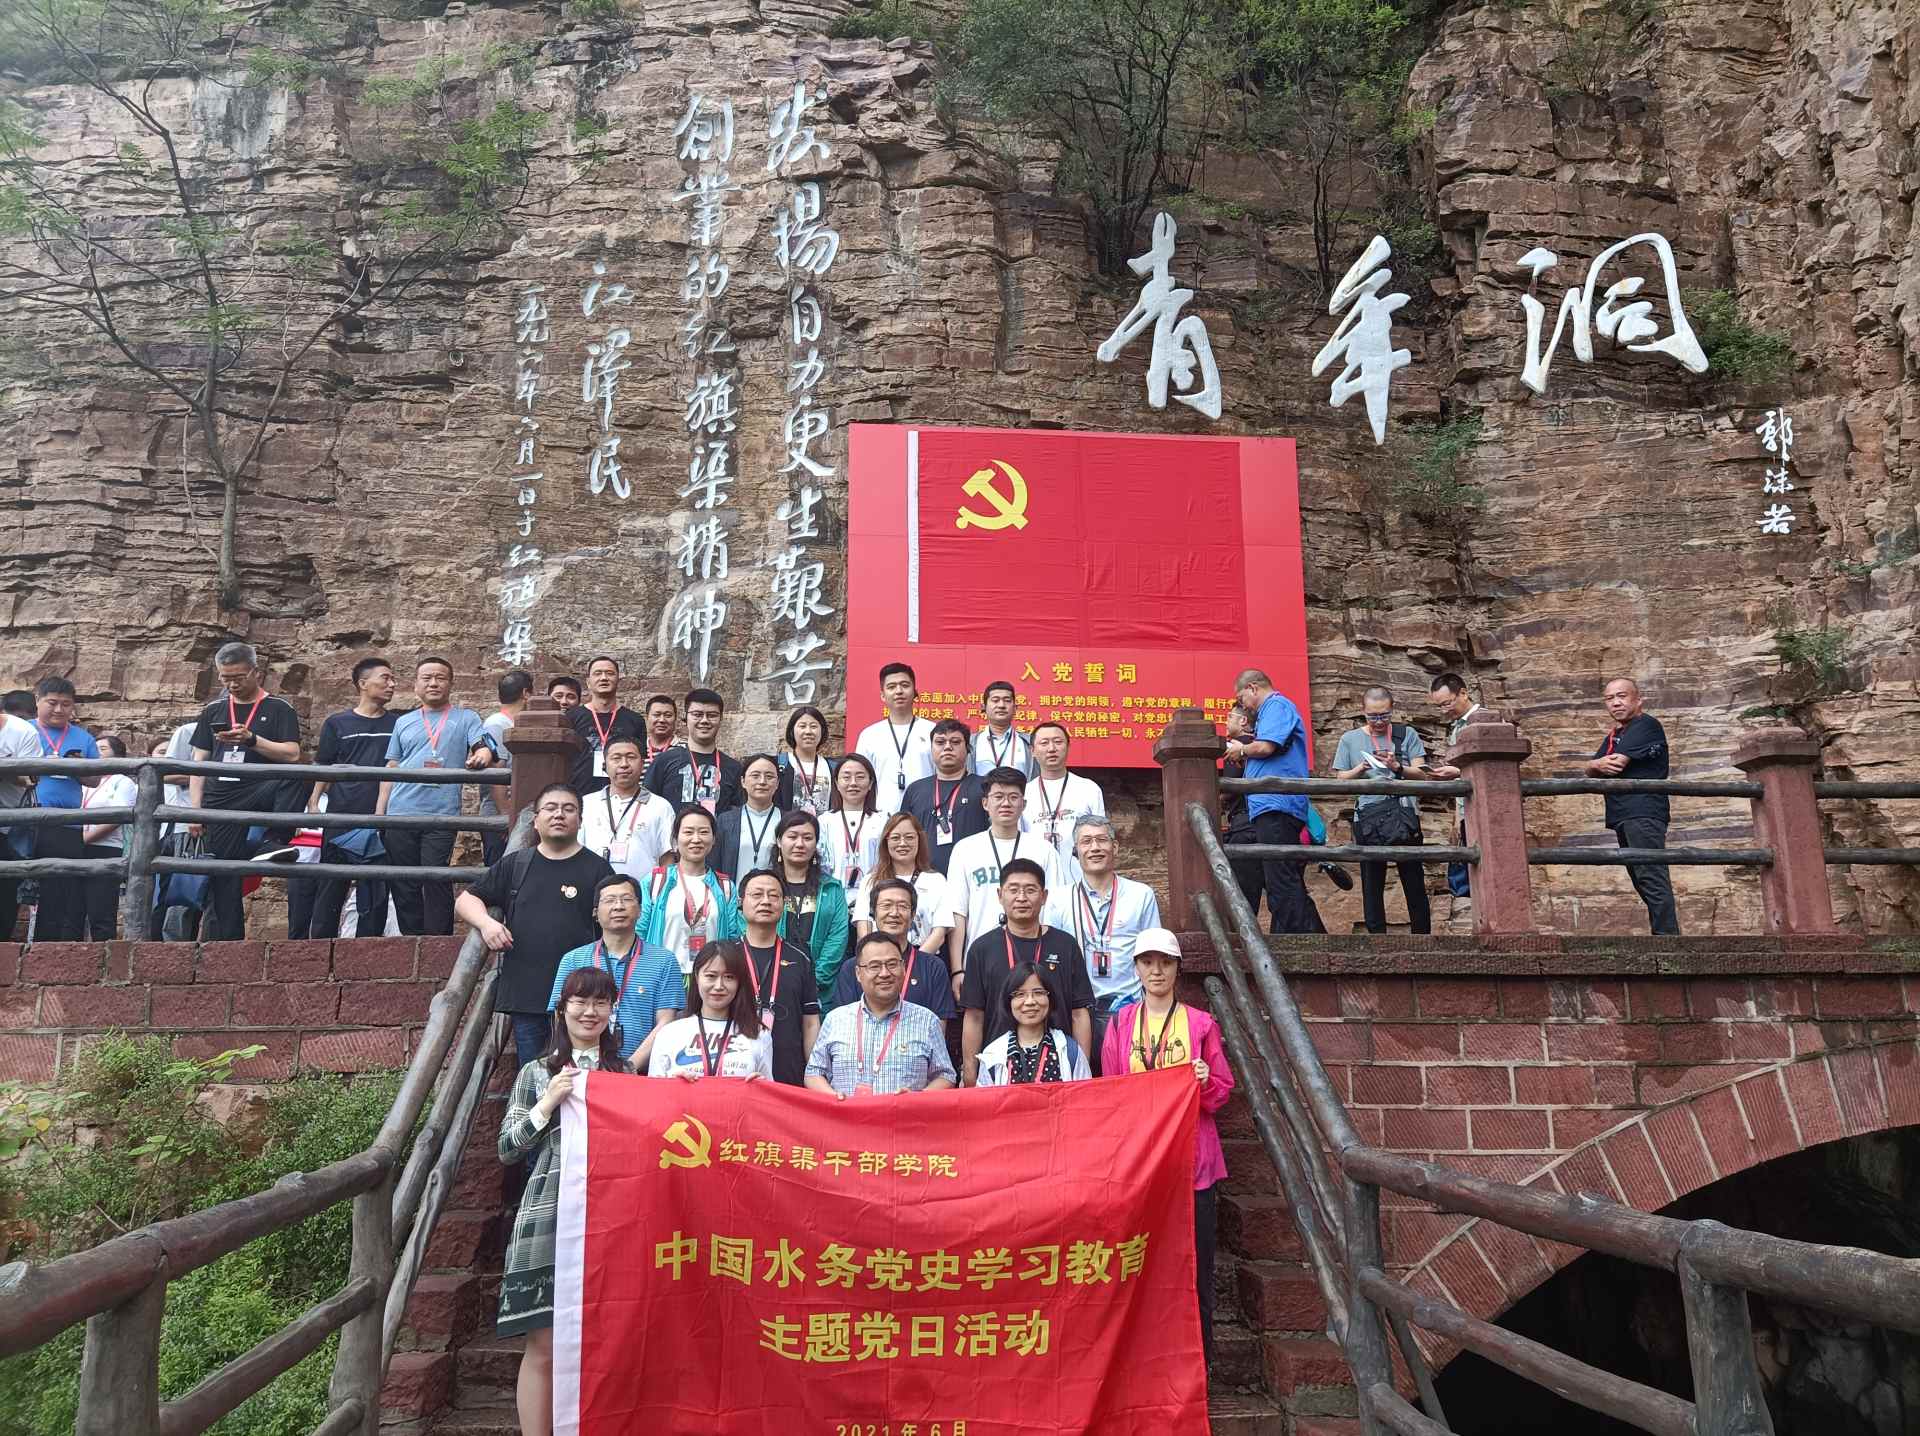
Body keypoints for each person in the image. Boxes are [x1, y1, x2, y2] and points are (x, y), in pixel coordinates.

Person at [497, 965, 630, 1436]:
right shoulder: (537, 1072)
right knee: (545, 1346)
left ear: (611, 1011)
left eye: (600, 1002)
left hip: (613, 1214)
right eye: (580, 1001)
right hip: (549, 1211)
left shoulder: (624, 1073)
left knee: (609, 1343)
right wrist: (547, 1103)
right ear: (562, 1010)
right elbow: (507, 1148)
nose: (590, 1011)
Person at [1099, 928, 1235, 1358]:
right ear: (1136, 969)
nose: (1156, 971)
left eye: (1165, 962)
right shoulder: (1120, 1024)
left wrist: (1205, 1081)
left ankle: (1199, 1360)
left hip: (1193, 1162)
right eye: (1147, 962)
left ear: (1178, 969)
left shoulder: (1200, 1024)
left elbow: (1222, 1091)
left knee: (1196, 1264)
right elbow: (1111, 1092)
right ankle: (1145, 1360)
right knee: (1142, 1263)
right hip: (1140, 1163)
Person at [456, 783, 614, 1068]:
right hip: (527, 993)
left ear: (580, 820)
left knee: (581, 1075)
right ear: (536, 820)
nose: (559, 814)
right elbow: (466, 900)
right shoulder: (517, 864)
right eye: (550, 808)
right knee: (534, 1075)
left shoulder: (598, 869)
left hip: (581, 997)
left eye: (568, 809)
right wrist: (488, 925)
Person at [187, 647, 302, 941]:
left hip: (259, 786)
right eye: (225, 678)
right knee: (225, 876)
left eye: (238, 677)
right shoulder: (213, 710)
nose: (232, 684)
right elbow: (198, 762)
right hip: (220, 794)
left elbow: (292, 754)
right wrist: (194, 810)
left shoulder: (279, 708)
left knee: (298, 775)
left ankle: (275, 840)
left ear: (256, 673)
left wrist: (252, 740)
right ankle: (228, 944)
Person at [378, 657, 497, 937]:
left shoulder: (466, 718)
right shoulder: (403, 721)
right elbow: (392, 765)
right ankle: (411, 939)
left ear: (451, 684)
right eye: (427, 678)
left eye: (440, 678)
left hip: (441, 813)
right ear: (416, 685)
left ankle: (438, 940)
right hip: (400, 810)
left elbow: (483, 746)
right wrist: (380, 813)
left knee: (436, 875)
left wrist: (481, 756)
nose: (433, 683)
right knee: (403, 880)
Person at [959, 858, 1091, 1085]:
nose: (1021, 897)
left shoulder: (1065, 945)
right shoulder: (982, 949)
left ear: (1044, 896)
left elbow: (1079, 1013)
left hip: (1058, 1067)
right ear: (1000, 895)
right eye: (1013, 890)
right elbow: (974, 1016)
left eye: (1030, 890)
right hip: (999, 1069)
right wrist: (970, 1072)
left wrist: (1081, 1069)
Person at [1043, 817, 1161, 1070]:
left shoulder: (1141, 895)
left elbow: (1154, 955)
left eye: (1101, 840)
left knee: (1129, 1081)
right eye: (1086, 841)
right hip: (1077, 1011)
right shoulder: (1059, 900)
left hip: (1129, 1008)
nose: (1094, 847)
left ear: (1115, 847)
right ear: (1076, 851)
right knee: (1083, 1079)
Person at [302, 657, 399, 940]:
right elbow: (325, 764)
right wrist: (313, 802)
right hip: (341, 813)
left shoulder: (398, 724)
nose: (392, 684)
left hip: (381, 814)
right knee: (331, 885)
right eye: (385, 678)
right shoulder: (337, 723)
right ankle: (320, 948)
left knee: (375, 889)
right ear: (363, 683)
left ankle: (369, 948)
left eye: (393, 679)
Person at [943, 768, 1068, 980]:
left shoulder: (1043, 850)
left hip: (1034, 961)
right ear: (985, 803)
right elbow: (958, 912)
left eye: (1013, 797)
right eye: (998, 797)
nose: (1006, 803)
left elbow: (1054, 909)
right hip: (981, 960)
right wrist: (957, 969)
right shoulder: (965, 849)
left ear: (1024, 804)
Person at [546, 874, 683, 1064]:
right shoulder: (573, 959)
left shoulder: (664, 961)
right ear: (595, 913)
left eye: (626, 899)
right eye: (609, 900)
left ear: (640, 910)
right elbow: (560, 1016)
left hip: (642, 1071)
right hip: (583, 1068)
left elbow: (666, 1021)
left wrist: (629, 1068)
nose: (618, 906)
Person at [1228, 668, 1323, 934]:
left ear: (1253, 688)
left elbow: (1266, 747)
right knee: (1280, 876)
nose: (1244, 705)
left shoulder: (1276, 705)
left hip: (1277, 804)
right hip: (1269, 805)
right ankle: (1306, 936)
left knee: (1281, 880)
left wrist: (1241, 750)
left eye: (1242, 698)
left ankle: (1304, 939)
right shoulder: (1270, 711)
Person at [1331, 687, 1432, 935]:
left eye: (1384, 715)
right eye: (1372, 716)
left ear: (1392, 709)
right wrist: (1360, 768)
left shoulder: (1406, 734)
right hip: (1368, 816)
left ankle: (1422, 936)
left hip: (1403, 814)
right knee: (1372, 881)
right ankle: (1377, 939)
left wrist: (1397, 766)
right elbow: (1340, 778)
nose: (1378, 721)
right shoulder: (1350, 739)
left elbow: (1422, 774)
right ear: (1363, 711)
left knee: (1413, 879)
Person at [806, 932, 956, 1097]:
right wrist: (834, 1098)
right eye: (874, 966)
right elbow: (813, 1073)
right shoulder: (835, 1019)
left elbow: (946, 1075)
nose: (884, 973)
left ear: (903, 968)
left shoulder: (927, 1021)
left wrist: (918, 1097)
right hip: (846, 1113)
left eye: (892, 964)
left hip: (905, 1113)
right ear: (858, 973)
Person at [1586, 677, 1680, 935]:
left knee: (1651, 874)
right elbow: (1591, 769)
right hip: (1624, 814)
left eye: (1622, 696)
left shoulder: (1645, 725)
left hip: (1643, 811)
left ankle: (1668, 940)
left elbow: (1615, 764)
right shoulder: (1616, 734)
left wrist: (1597, 765)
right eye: (1609, 698)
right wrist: (1594, 765)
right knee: (1640, 877)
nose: (1615, 703)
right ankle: (1664, 936)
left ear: (1638, 700)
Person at [26, 676, 102, 940]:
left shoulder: (83, 738)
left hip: (66, 823)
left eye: (66, 704)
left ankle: (46, 946)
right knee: (11, 878)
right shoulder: (25, 730)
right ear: (37, 701)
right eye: (52, 703)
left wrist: (78, 767)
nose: (59, 709)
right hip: (25, 818)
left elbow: (95, 780)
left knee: (59, 886)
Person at [736, 868, 822, 1085]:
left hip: (788, 1074)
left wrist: (814, 1073)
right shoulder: (727, 956)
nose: (765, 901)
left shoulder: (800, 958)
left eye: (773, 895)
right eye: (757, 894)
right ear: (741, 902)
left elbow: (810, 1022)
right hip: (737, 1072)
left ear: (784, 904)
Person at [830, 877, 957, 1018]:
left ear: (912, 914)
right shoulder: (853, 967)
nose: (894, 913)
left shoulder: (932, 967)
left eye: (902, 906)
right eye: (886, 905)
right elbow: (842, 1022)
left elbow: (938, 1028)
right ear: (873, 912)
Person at [637, 805, 743, 974]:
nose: (696, 839)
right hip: (663, 977)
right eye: (688, 832)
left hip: (709, 978)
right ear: (675, 839)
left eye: (704, 832)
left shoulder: (725, 886)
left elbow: (732, 937)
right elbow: (639, 932)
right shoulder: (655, 881)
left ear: (714, 839)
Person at [647, 940, 773, 1079]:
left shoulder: (759, 1034)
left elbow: (769, 1088)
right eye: (711, 976)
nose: (719, 986)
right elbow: (653, 1090)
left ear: (739, 982)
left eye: (729, 977)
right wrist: (671, 1084)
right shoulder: (669, 1034)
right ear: (697, 977)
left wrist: (759, 1085)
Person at [974, 963, 1093, 1086]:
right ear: (1008, 1001)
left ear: (1050, 999)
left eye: (1038, 992)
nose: (1030, 1001)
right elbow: (985, 1098)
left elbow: (1085, 1094)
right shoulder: (992, 1054)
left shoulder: (1071, 1051)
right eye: (1020, 994)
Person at [577, 736, 674, 885]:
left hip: (644, 894)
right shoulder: (586, 804)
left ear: (642, 764)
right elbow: (575, 850)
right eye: (616, 758)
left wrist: (660, 893)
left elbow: (667, 859)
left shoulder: (660, 806)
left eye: (631, 757)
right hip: (593, 892)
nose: (624, 764)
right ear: (604, 765)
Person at [772, 811, 850, 993]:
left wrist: (814, 981)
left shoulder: (832, 888)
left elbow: (837, 939)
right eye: (792, 837)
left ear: (816, 844)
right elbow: (749, 928)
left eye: (807, 838)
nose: (800, 844)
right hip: (771, 983)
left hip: (820, 991)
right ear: (779, 841)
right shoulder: (764, 885)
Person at [851, 813, 948, 953]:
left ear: (919, 840)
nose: (902, 843)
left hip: (924, 959)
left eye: (909, 837)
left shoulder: (936, 881)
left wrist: (914, 962)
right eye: (895, 838)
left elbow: (939, 934)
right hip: (878, 958)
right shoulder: (870, 881)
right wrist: (881, 959)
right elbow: (863, 930)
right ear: (886, 842)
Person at [902, 718, 987, 875]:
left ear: (968, 748)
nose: (947, 747)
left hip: (974, 875)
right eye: (940, 742)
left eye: (955, 742)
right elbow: (904, 835)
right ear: (931, 748)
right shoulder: (915, 790)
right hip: (924, 878)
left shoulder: (985, 787)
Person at [1424, 672, 1482, 900]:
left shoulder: (1484, 721)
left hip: (1483, 809)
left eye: (1447, 703)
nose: (1444, 710)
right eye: (1439, 706)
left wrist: (1455, 772)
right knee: (1462, 866)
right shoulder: (1457, 727)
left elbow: (1491, 767)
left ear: (1463, 693)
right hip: (1464, 808)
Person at [1025, 722, 1107, 877]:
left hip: (1080, 879)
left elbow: (1101, 836)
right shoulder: (1024, 793)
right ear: (1032, 751)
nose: (1051, 748)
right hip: (1035, 882)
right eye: (1044, 743)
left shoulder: (1088, 789)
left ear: (1068, 747)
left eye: (1058, 742)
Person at [853, 662, 934, 816]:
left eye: (905, 685)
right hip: (880, 817)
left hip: (926, 815)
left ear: (915, 691)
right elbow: (860, 778)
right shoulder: (869, 735)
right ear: (883, 695)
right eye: (891, 687)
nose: (899, 691)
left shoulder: (932, 731)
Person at [644, 688, 742, 813]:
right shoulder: (663, 761)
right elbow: (646, 808)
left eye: (712, 715)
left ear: (721, 719)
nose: (704, 720)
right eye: (697, 714)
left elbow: (738, 814)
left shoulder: (733, 768)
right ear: (685, 717)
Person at [78, 735, 134, 939]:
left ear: (117, 755)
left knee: (100, 909)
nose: (96, 752)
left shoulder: (123, 782)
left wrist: (84, 838)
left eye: (102, 749)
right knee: (73, 908)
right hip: (76, 847)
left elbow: (117, 817)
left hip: (105, 848)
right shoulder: (84, 780)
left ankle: (104, 952)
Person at [565, 655, 645, 797]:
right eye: (598, 673)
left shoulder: (635, 720)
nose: (603, 678)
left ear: (618, 680)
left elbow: (639, 762)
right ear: (588, 682)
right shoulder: (571, 718)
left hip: (623, 797)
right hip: (579, 795)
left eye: (609, 673)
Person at [0, 690, 42, 942]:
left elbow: (32, 778)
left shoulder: (23, 731)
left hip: (9, 824)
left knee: (5, 890)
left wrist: (7, 771)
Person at [479, 669, 532, 865]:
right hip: (499, 812)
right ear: (526, 693)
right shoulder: (496, 724)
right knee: (498, 868)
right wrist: (505, 817)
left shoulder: (511, 723)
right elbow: (496, 772)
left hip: (511, 810)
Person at [714, 754, 781, 880]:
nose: (762, 781)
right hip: (732, 890)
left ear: (777, 783)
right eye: (755, 776)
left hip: (773, 891)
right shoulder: (726, 821)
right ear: (743, 781)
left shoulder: (786, 821)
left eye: (769, 776)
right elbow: (715, 863)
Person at [820, 753, 880, 892]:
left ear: (870, 783)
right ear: (836, 783)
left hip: (873, 895)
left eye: (860, 777)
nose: (853, 783)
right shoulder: (824, 821)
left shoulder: (882, 821)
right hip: (834, 896)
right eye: (846, 777)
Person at [777, 705, 835, 817]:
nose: (808, 731)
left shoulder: (832, 767)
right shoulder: (779, 765)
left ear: (822, 731)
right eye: (802, 726)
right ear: (792, 731)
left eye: (813, 726)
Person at [971, 679, 1033, 778]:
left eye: (1007, 701)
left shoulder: (1030, 742)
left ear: (1015, 708)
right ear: (983, 707)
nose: (1001, 705)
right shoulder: (970, 743)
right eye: (995, 700)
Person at [642, 692, 679, 765]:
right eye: (657, 715)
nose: (662, 720)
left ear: (675, 719)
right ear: (647, 718)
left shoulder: (687, 749)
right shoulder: (638, 749)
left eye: (668, 715)